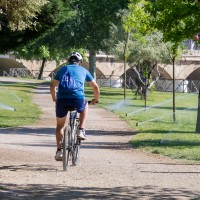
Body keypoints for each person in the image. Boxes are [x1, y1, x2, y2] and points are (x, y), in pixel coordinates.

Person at [50, 52, 100, 161]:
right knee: (85, 104)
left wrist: (55, 99)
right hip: (78, 98)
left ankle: (59, 151)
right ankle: (81, 130)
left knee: (60, 126)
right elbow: (95, 87)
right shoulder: (83, 70)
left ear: (69, 61)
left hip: (62, 99)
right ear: (80, 62)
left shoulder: (63, 69)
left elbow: (52, 85)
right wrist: (96, 100)